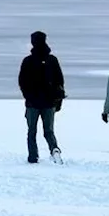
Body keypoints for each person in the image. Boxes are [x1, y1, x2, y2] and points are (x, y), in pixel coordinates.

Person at [18, 30, 66, 164]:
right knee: (49, 131)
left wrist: (27, 96)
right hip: (49, 102)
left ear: (33, 43)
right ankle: (54, 149)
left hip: (32, 103)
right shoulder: (52, 60)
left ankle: (33, 157)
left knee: (31, 131)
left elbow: (22, 81)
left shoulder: (28, 61)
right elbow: (60, 81)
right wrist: (58, 101)